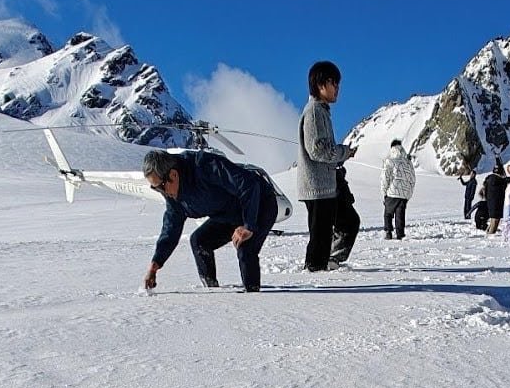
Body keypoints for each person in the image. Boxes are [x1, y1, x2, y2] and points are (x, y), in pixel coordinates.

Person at [141, 149, 278, 293]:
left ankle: (253, 297)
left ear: (173, 175)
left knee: (245, 247)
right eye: (155, 188)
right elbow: (171, 229)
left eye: (161, 186)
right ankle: (212, 293)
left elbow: (248, 184)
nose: (161, 192)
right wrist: (155, 265)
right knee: (199, 241)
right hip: (228, 213)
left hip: (259, 203)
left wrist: (248, 225)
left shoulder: (203, 165)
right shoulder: (173, 196)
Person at [297, 60, 356, 272]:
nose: (337, 88)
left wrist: (341, 156)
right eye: (334, 83)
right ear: (321, 84)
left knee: (348, 222)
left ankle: (328, 262)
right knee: (320, 237)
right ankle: (315, 273)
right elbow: (318, 150)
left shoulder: (321, 111)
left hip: (326, 185)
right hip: (317, 187)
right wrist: (343, 152)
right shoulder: (314, 112)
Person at [380, 139, 417, 240]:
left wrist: (384, 192)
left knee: (388, 213)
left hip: (392, 192)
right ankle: (400, 234)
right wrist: (408, 194)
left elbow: (385, 178)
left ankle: (388, 232)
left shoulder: (389, 160)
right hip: (404, 193)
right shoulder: (408, 162)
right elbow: (412, 179)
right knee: (400, 214)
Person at [330, 162, 361, 268]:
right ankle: (333, 256)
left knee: (348, 222)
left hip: (335, 182)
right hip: (330, 185)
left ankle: (333, 255)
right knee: (348, 222)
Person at [483, 155, 508, 233]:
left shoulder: (489, 179)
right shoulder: (499, 181)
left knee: (492, 220)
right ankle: (490, 234)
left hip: (490, 204)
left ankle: (488, 232)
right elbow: (504, 187)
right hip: (497, 204)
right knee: (495, 221)